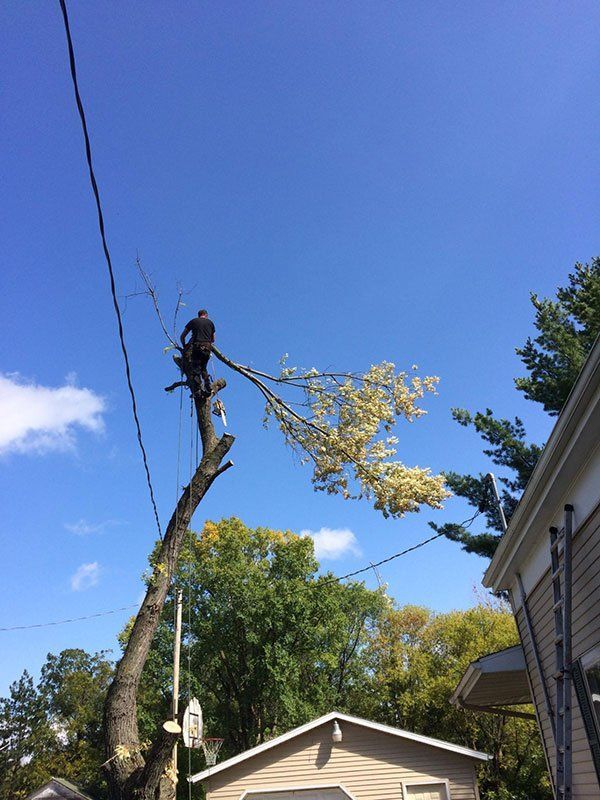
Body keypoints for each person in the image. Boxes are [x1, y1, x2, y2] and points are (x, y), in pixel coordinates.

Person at [180, 309, 215, 395]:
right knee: (203, 368)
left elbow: (182, 336)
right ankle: (207, 385)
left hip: (197, 347)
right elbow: (213, 339)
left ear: (199, 315)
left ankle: (198, 389)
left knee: (196, 369)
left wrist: (184, 345)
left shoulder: (193, 321)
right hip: (207, 348)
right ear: (206, 315)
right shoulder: (210, 323)